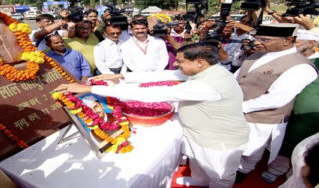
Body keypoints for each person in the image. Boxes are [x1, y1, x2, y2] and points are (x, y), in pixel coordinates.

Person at [56, 43, 250, 188]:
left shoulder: (207, 84)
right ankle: (199, 180)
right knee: (198, 163)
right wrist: (119, 76)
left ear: (199, 62)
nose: (175, 63)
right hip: (201, 132)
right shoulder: (206, 70)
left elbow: (148, 94)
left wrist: (88, 88)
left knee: (219, 174)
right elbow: (163, 75)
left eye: (180, 61)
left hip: (219, 140)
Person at [234, 24, 318, 183]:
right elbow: (236, 79)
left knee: (248, 154)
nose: (257, 42)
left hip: (261, 120)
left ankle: (239, 176)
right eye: (257, 38)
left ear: (288, 40)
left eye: (265, 39)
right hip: (234, 113)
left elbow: (276, 99)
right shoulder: (257, 55)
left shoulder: (301, 67)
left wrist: (236, 107)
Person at [260, 29, 319, 183]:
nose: (294, 45)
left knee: (295, 141)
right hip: (279, 107)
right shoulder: (286, 58)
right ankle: (274, 167)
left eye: (297, 42)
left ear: (311, 43)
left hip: (306, 114)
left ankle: (288, 172)